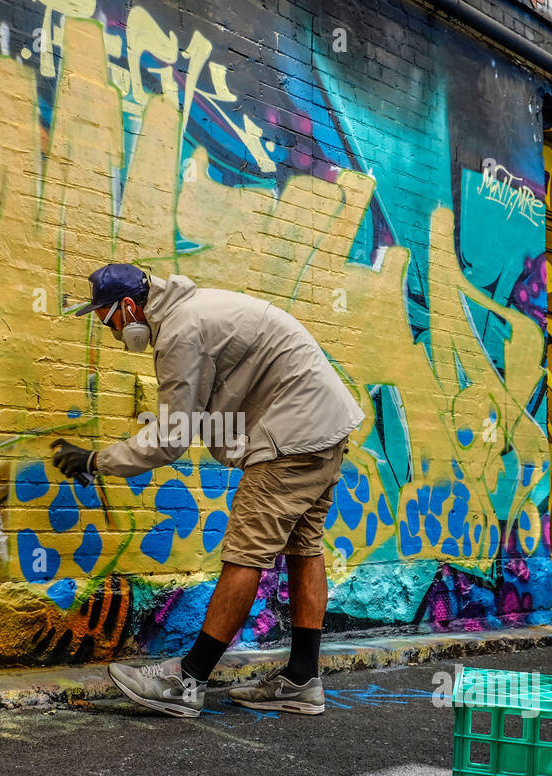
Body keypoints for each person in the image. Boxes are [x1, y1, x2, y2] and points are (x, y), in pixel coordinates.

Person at [49, 263, 363, 717]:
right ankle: (301, 678)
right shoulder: (192, 311)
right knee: (303, 546)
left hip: (290, 437)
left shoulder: (180, 332)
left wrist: (97, 461)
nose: (112, 332)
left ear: (131, 307)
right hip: (323, 427)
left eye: (109, 320)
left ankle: (187, 681)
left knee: (244, 552)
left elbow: (170, 439)